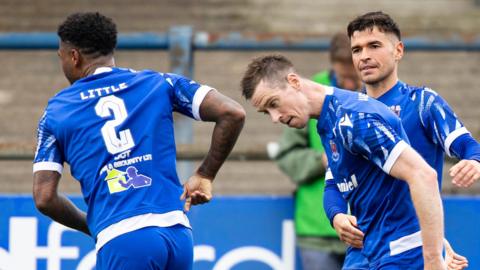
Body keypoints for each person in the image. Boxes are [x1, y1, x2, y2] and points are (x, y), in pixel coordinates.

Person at [32, 12, 245, 270]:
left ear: (74, 57)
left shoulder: (57, 111)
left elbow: (44, 197)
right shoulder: (158, 82)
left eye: (61, 57)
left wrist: (94, 224)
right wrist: (205, 173)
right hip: (176, 234)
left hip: (122, 236)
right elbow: (232, 113)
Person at [241, 54, 446, 269]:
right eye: (267, 112)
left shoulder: (353, 119)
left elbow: (424, 175)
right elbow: (337, 182)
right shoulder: (330, 120)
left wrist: (433, 258)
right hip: (368, 251)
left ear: (293, 82)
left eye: (274, 104)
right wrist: (337, 215)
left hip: (398, 254)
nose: (275, 118)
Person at [324, 11, 480, 270]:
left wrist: (474, 160)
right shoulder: (345, 115)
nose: (364, 56)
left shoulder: (423, 104)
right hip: (361, 254)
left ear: (398, 50)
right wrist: (337, 216)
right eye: (357, 49)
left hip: (410, 252)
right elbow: (333, 184)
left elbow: (467, 144)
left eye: (374, 46)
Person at [273, 33, 360, 270]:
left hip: (368, 230)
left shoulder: (378, 91)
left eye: (356, 78)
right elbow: (286, 156)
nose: (351, 84)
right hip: (317, 231)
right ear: (333, 64)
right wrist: (322, 160)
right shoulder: (306, 94)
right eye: (345, 77)